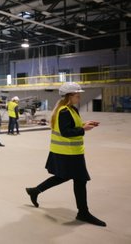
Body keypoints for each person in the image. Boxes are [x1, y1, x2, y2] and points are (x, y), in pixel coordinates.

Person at [25, 82, 106, 227]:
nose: (79, 96)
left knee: (65, 177)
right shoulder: (64, 111)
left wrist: (84, 124)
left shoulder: (70, 109)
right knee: (80, 180)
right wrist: (83, 130)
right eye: (77, 94)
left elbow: (71, 126)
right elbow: (66, 132)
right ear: (69, 96)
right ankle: (83, 213)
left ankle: (35, 191)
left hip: (69, 152)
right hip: (68, 153)